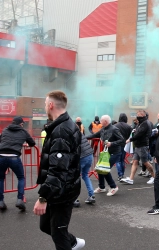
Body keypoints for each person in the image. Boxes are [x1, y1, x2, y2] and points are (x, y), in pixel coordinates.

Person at [33, 90, 85, 250]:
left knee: (58, 234)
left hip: (62, 192)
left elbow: (58, 170)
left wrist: (43, 198)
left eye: (44, 104)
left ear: (50, 105)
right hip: (61, 189)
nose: (44, 108)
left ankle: (70, 243)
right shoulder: (60, 126)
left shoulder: (61, 130)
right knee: (45, 226)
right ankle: (74, 242)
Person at [0, 116, 36, 211]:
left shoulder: (5, 130)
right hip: (14, 157)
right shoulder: (23, 131)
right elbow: (32, 143)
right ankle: (20, 199)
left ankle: (1, 201)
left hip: (1, 156)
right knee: (20, 177)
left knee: (0, 178)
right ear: (21, 124)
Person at [87, 115, 124, 196]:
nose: (100, 121)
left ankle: (114, 187)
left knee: (105, 170)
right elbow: (94, 135)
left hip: (115, 153)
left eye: (101, 120)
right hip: (106, 153)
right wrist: (83, 137)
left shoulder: (114, 129)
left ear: (106, 121)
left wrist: (112, 143)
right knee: (100, 168)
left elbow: (122, 140)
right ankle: (102, 187)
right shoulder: (103, 129)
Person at [120, 110, 155, 185]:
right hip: (138, 145)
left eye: (138, 115)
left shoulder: (145, 123)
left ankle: (154, 177)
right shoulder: (142, 123)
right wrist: (136, 130)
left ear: (142, 115)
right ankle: (131, 179)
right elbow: (139, 132)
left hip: (142, 145)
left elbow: (140, 134)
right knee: (135, 162)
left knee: (145, 162)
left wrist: (130, 139)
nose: (137, 116)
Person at [76, 120, 95, 205]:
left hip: (82, 157)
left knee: (75, 178)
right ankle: (91, 196)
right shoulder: (80, 133)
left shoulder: (72, 135)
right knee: (85, 175)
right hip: (89, 155)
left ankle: (75, 199)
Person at [114, 113, 132, 181]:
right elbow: (131, 135)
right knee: (122, 160)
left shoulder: (115, 125)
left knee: (118, 160)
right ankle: (122, 174)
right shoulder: (128, 126)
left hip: (117, 144)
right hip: (125, 144)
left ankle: (120, 175)